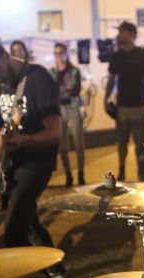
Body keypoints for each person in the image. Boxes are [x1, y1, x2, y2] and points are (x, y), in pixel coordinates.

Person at [0, 40, 63, 278]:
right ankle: (55, 265)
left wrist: (23, 142)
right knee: (28, 220)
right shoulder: (4, 84)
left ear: (4, 56)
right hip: (14, 164)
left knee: (13, 233)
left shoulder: (37, 79)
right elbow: (6, 127)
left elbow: (55, 133)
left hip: (36, 163)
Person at [104, 22, 144, 181]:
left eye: (123, 32)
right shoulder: (117, 56)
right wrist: (106, 98)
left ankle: (141, 173)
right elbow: (112, 79)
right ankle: (122, 171)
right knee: (122, 143)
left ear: (132, 34)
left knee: (140, 144)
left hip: (139, 105)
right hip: (122, 106)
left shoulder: (142, 54)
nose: (120, 35)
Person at [50, 42, 85, 187]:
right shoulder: (52, 72)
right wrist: (64, 91)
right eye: (56, 53)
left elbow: (76, 90)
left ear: (66, 53)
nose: (59, 56)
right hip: (59, 110)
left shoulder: (74, 71)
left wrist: (62, 91)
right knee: (62, 146)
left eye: (61, 52)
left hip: (73, 107)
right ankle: (68, 175)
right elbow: (52, 92)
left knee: (78, 142)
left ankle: (81, 174)